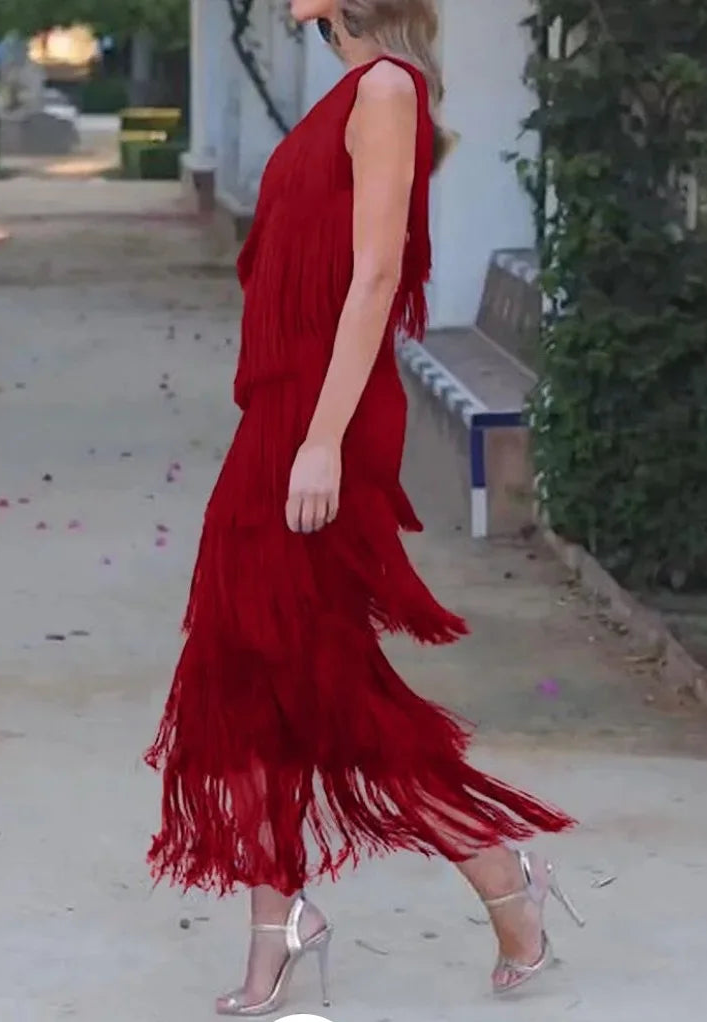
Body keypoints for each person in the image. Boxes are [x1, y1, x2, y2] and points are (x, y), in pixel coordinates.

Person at [144, 1, 585, 1015]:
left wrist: (320, 439)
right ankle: (285, 922)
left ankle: (500, 874)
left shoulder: (386, 91)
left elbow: (376, 274)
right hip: (281, 417)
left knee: (321, 680)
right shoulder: (347, 91)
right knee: (254, 670)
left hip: (319, 421)